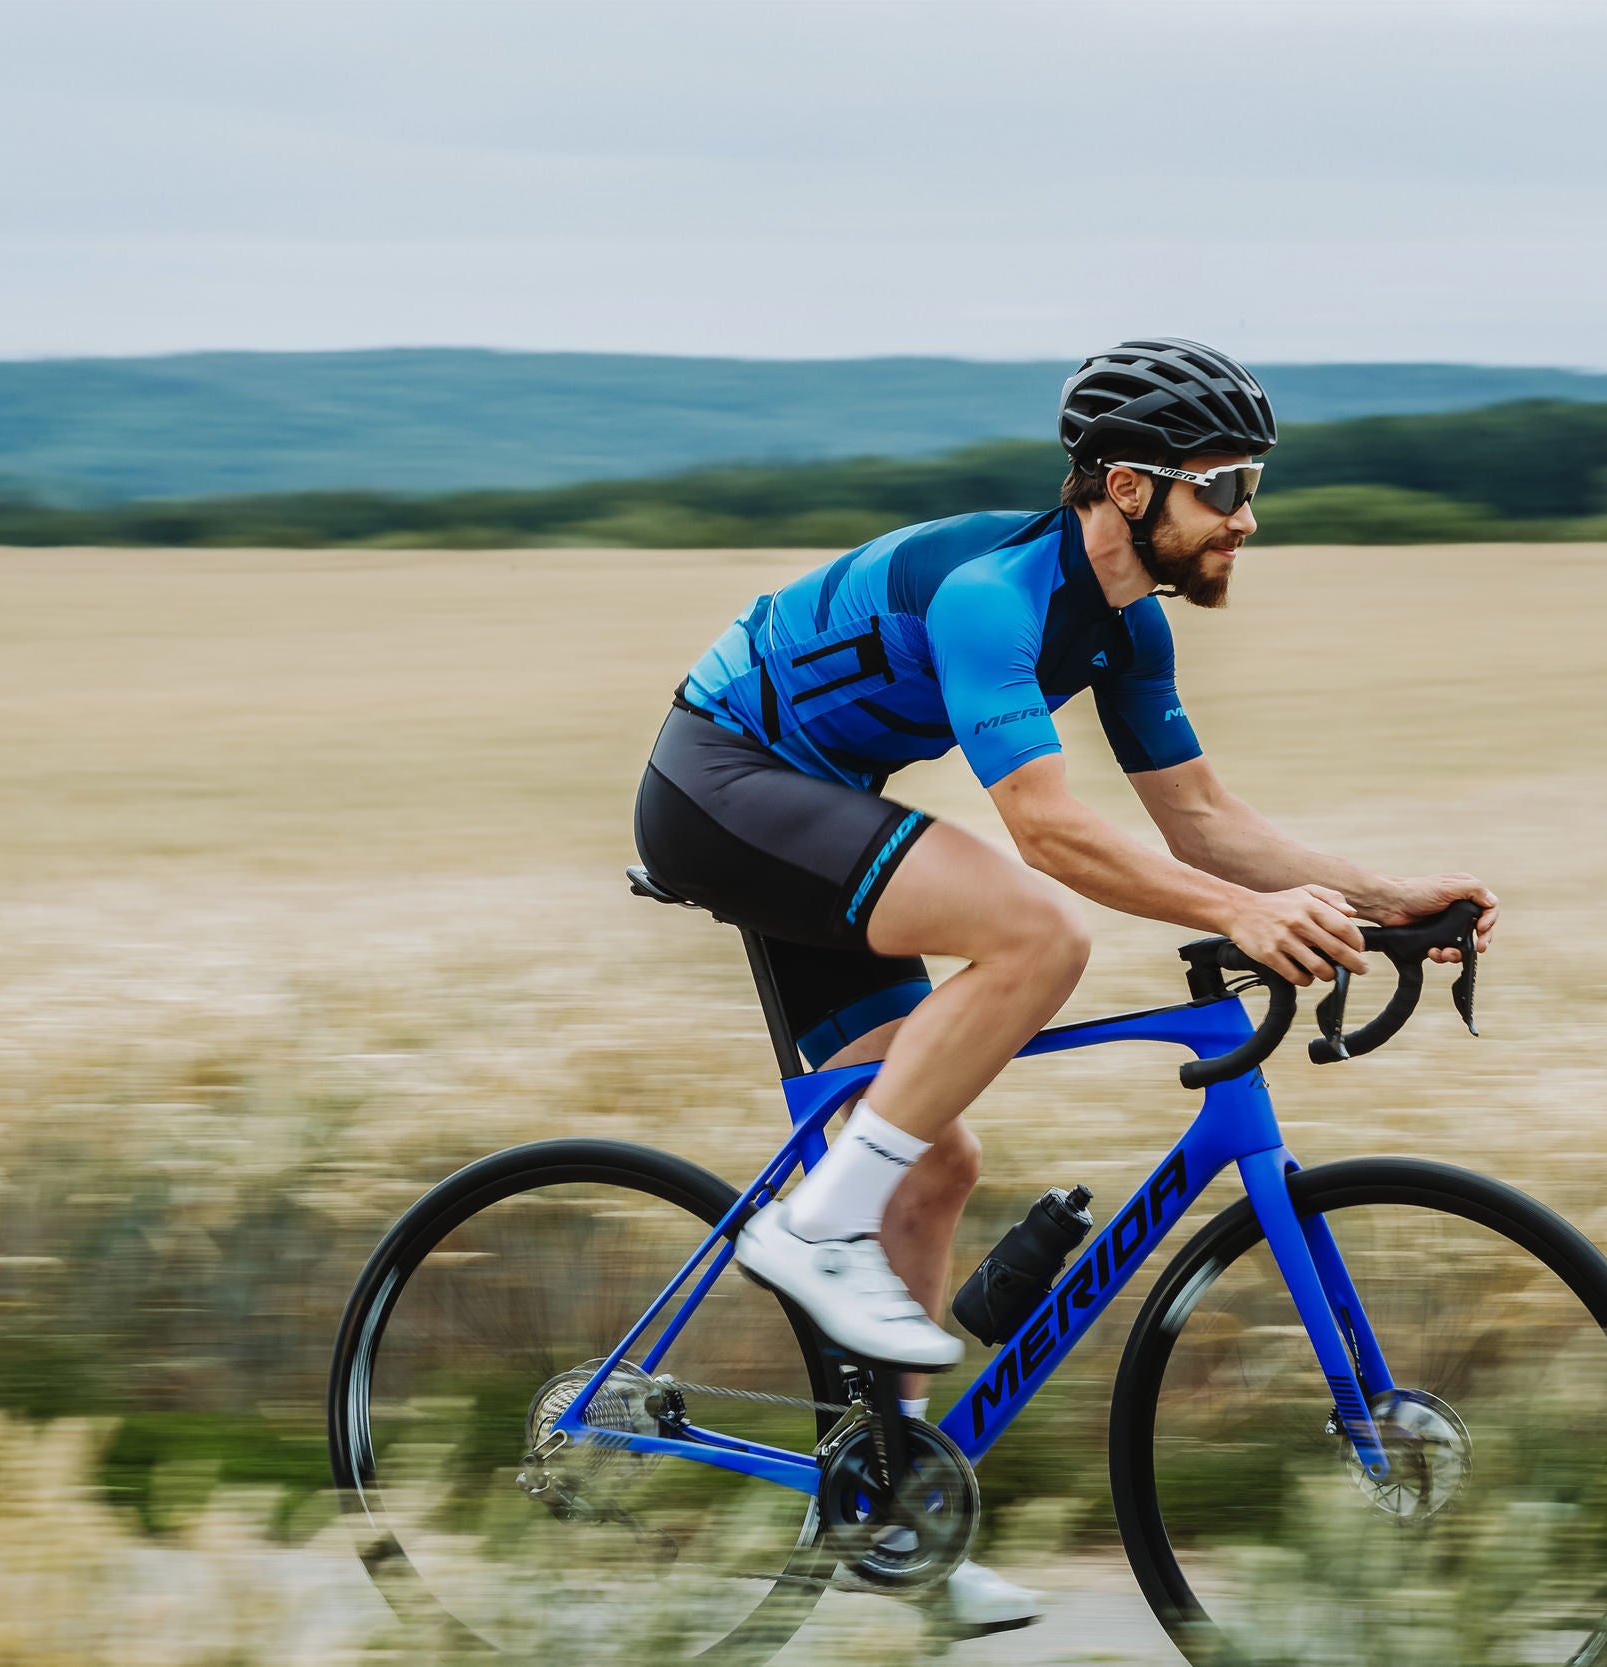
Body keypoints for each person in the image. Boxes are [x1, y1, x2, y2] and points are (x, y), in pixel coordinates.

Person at [630, 338, 1498, 1634]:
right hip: (720, 786)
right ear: (1130, 488)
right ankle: (815, 1231)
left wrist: (1384, 900)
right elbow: (1049, 835)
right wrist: (1248, 919)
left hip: (811, 801)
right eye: (1226, 487)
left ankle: (890, 1514)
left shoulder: (1128, 625)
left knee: (934, 1161)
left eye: (1252, 485)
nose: (1247, 519)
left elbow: (1199, 819)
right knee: (1037, 935)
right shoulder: (998, 595)